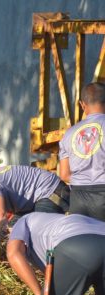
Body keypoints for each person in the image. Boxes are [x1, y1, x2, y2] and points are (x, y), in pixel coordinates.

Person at [59, 82, 105, 221]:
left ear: (82, 105)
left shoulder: (68, 134)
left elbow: (65, 175)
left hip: (78, 200)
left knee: (83, 240)